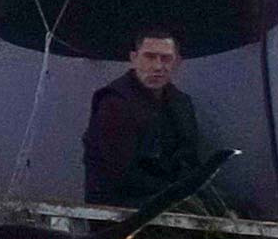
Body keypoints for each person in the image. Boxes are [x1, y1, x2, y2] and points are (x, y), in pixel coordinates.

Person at [82, 27, 228, 215]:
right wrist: (178, 193)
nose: (158, 66)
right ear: (134, 59)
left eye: (165, 58)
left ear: (177, 62)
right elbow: (121, 175)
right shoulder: (115, 103)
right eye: (150, 57)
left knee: (234, 208)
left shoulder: (180, 103)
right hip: (119, 207)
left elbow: (188, 159)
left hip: (167, 196)